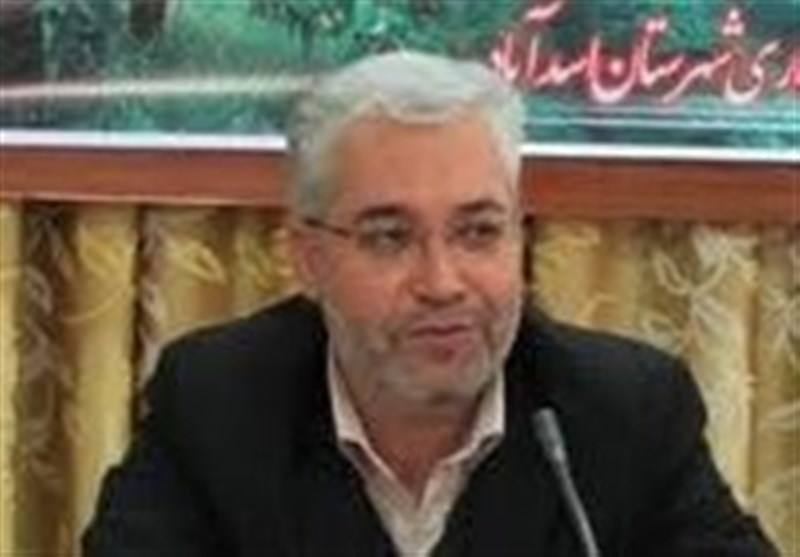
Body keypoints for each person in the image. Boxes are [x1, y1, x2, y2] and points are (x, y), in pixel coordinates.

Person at [83, 51, 777, 557]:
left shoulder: (625, 413)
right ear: (307, 257)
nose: (443, 282)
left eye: (478, 232)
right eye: (389, 237)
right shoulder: (217, 403)